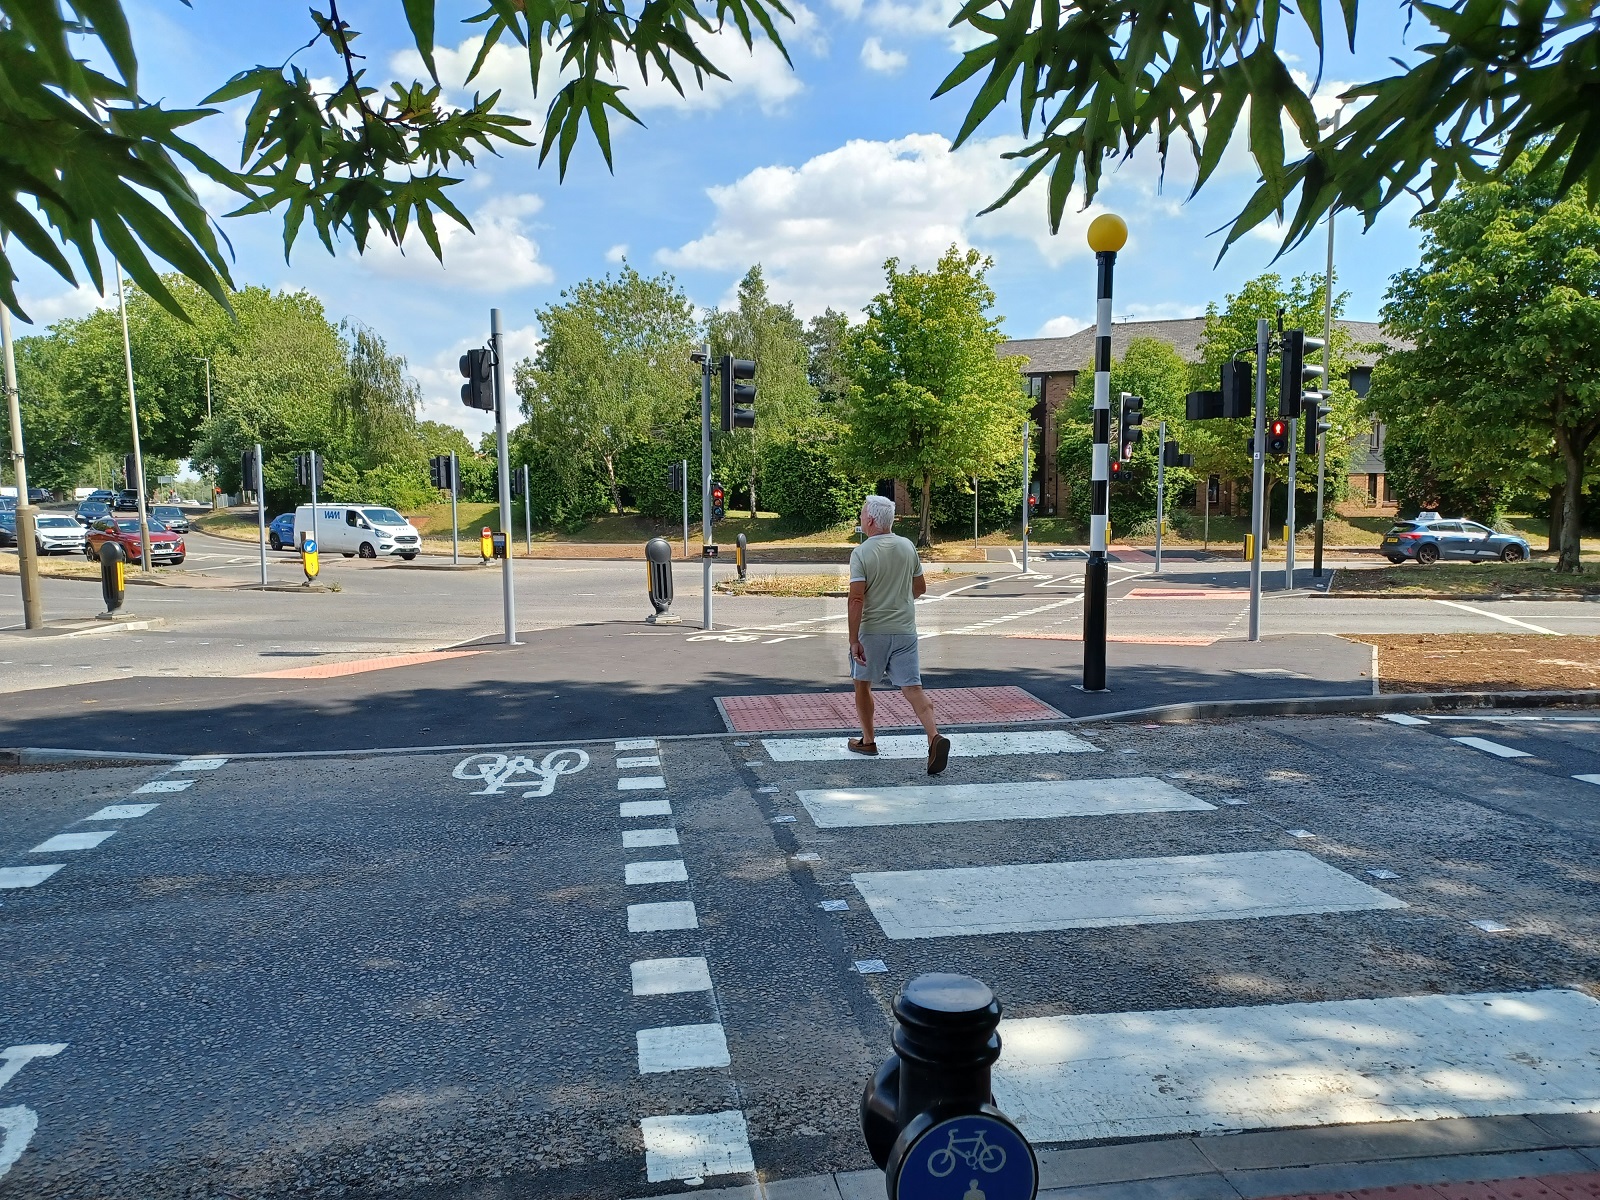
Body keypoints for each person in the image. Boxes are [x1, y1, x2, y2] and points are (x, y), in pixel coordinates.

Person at [846, 493, 951, 775]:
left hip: (872, 631)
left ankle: (868, 740)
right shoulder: (907, 547)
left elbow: (856, 599)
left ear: (870, 520)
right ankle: (934, 737)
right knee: (913, 688)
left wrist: (854, 640)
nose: (860, 518)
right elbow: (920, 588)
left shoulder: (862, 553)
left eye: (862, 514)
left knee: (862, 684)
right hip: (905, 631)